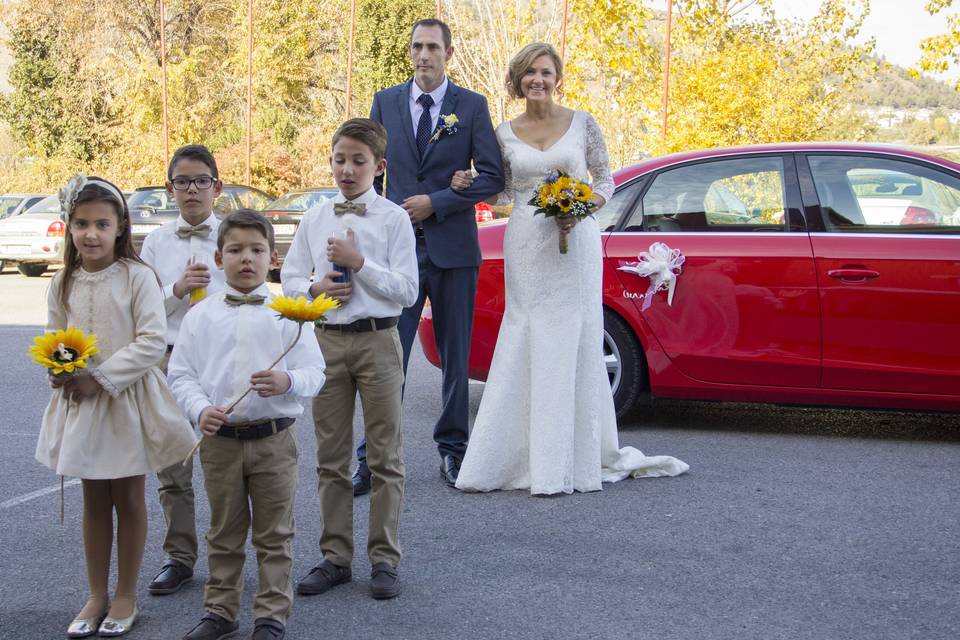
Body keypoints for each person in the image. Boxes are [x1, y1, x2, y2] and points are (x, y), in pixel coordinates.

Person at [450, 43, 689, 494]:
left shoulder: (583, 124)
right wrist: (469, 184)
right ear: (518, 79)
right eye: (528, 73)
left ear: (557, 78)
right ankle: (517, 455)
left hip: (576, 242)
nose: (537, 79)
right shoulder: (504, 132)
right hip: (526, 243)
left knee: (574, 334)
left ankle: (571, 455)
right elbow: (502, 193)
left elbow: (605, 180)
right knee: (527, 329)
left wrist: (579, 208)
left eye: (545, 72)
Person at [35, 176, 197, 638]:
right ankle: (96, 594)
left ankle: (125, 593)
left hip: (124, 400)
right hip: (81, 403)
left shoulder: (137, 276)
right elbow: (57, 335)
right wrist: (62, 369)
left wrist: (101, 379)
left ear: (121, 226)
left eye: (101, 224)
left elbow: (150, 341)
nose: (91, 234)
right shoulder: (64, 280)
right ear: (69, 227)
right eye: (81, 224)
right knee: (93, 500)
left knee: (127, 498)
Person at [168, 210, 326, 640]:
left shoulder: (291, 314)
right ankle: (220, 610)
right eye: (235, 250)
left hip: (274, 440)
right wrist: (200, 409)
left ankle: (271, 615)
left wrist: (287, 380)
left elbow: (315, 371)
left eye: (256, 250)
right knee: (224, 530)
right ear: (219, 259)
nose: (246, 259)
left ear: (272, 257)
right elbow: (180, 375)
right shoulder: (200, 316)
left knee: (275, 533)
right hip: (221, 441)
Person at [362, 18, 505, 492]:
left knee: (455, 357)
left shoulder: (472, 106)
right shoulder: (384, 102)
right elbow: (371, 175)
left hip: (454, 248)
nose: (425, 55)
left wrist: (439, 201)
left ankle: (453, 451)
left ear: (448, 53)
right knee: (388, 354)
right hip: (396, 252)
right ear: (410, 53)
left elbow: (491, 177)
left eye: (433, 47)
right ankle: (373, 457)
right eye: (417, 47)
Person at [282, 118, 417, 599]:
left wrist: (362, 265)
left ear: (378, 167)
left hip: (379, 341)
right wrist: (314, 288)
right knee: (331, 457)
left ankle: (384, 559)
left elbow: (407, 289)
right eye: (340, 159)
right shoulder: (315, 217)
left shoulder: (393, 220)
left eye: (359, 161)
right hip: (327, 343)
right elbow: (290, 279)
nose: (347, 169)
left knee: (385, 457)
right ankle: (335, 556)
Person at [140, 144, 228, 596]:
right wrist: (177, 288)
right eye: (182, 182)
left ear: (217, 185)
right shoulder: (155, 242)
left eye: (200, 181)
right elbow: (142, 309)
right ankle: (178, 557)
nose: (191, 190)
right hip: (169, 358)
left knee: (220, 465)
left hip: (219, 361)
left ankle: (223, 558)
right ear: (170, 188)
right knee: (172, 467)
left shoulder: (233, 234)